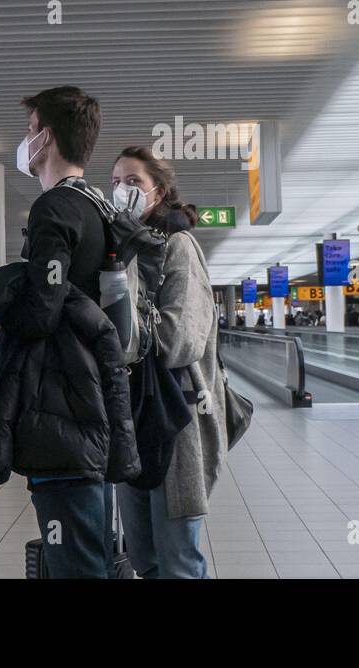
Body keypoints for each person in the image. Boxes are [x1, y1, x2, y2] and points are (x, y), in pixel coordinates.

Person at [0, 85, 127, 575]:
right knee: (88, 546)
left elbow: (42, 311)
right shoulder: (98, 205)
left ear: (45, 137)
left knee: (74, 556)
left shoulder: (54, 208)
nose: (25, 140)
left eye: (29, 130)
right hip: (96, 399)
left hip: (62, 408)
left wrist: (3, 309)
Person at [111, 146, 226, 578]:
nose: (123, 190)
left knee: (178, 559)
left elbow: (180, 341)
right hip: (132, 416)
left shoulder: (178, 246)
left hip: (176, 417)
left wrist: (124, 323)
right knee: (144, 559)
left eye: (134, 181)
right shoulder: (121, 250)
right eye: (117, 181)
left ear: (158, 191)